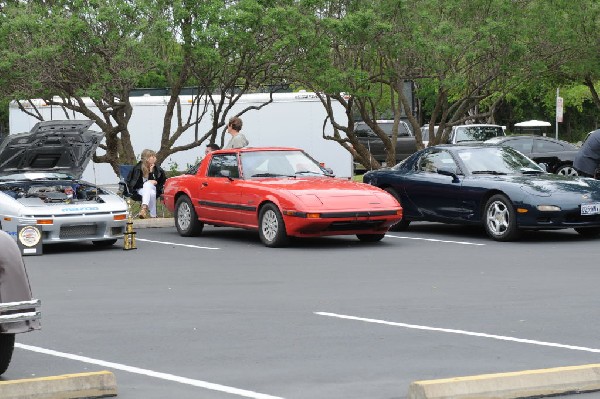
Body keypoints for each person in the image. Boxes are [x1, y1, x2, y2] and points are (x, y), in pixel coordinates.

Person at [127, 149, 166, 219]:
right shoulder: (138, 168)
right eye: (152, 156)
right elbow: (133, 184)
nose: (154, 158)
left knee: (149, 186)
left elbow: (162, 182)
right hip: (139, 190)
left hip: (154, 188)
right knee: (151, 192)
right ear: (146, 158)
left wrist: (151, 172)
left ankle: (144, 208)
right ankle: (153, 216)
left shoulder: (158, 169)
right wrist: (147, 183)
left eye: (154, 156)